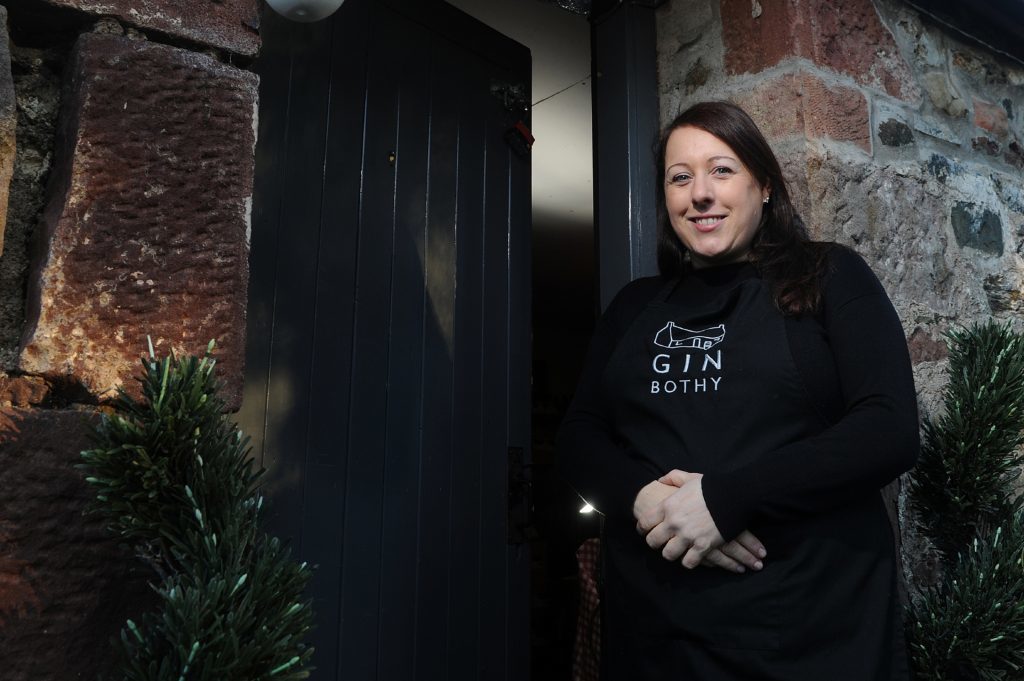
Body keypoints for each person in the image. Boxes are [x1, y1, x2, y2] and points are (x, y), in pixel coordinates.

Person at [557, 101, 918, 680]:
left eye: (721, 170)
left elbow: (888, 429)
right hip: (656, 629)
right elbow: (578, 438)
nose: (699, 193)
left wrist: (724, 500)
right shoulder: (634, 306)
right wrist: (646, 500)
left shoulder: (831, 276)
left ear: (766, 186)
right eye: (681, 177)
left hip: (806, 628)